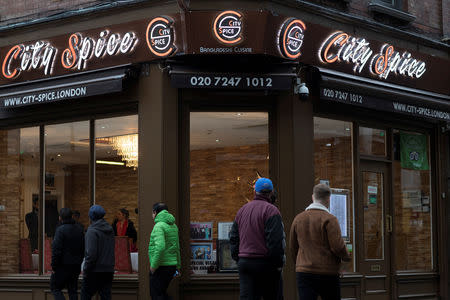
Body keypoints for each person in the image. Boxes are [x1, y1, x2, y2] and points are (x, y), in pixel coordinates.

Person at [289, 183, 351, 300]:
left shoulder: (298, 218)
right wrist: (346, 257)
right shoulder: (330, 219)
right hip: (328, 272)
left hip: (304, 272)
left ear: (313, 197)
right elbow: (337, 247)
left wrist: (300, 263)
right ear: (328, 199)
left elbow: (293, 247)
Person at [230, 177, 285, 300]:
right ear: (271, 193)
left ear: (255, 192)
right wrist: (277, 264)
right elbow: (275, 242)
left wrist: (238, 258)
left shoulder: (242, 210)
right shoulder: (271, 210)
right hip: (265, 263)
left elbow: (233, 238)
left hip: (245, 262)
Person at [81, 205, 115, 300]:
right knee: (106, 296)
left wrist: (86, 269)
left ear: (91, 217)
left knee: (85, 295)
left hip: (94, 270)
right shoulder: (110, 229)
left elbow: (91, 254)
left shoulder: (92, 231)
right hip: (108, 269)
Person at [148, 202, 181, 300]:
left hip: (161, 266)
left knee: (156, 295)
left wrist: (153, 266)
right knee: (161, 293)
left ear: (155, 212)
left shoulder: (159, 226)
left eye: (152, 213)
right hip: (171, 267)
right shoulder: (174, 226)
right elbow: (177, 247)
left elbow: (160, 247)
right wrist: (178, 266)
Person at [50, 208, 85, 300]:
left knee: (55, 288)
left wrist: (54, 266)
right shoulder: (79, 229)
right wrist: (79, 262)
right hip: (76, 266)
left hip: (62, 266)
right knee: (72, 290)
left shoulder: (60, 230)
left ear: (60, 218)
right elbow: (83, 248)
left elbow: (56, 250)